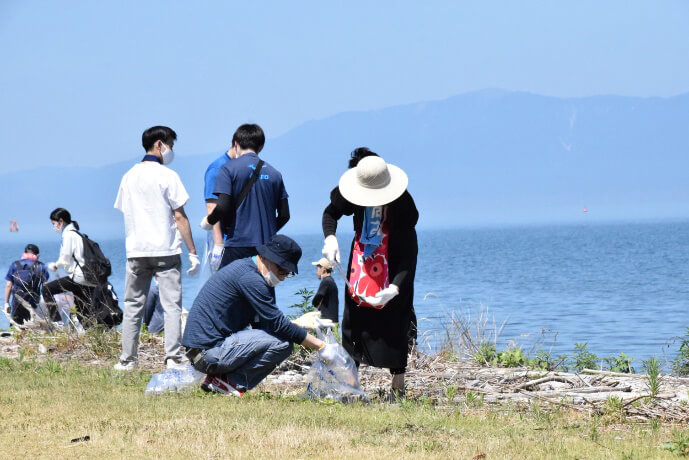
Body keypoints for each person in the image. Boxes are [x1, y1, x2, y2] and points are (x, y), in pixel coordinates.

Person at [182, 234, 336, 395]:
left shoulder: (252, 273)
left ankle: (219, 379)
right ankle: (228, 382)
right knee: (283, 344)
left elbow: (265, 325)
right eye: (281, 270)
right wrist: (321, 346)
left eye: (287, 273)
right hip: (208, 353)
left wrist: (296, 325)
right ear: (264, 258)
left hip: (205, 352)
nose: (282, 277)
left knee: (280, 339)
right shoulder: (251, 279)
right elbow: (277, 324)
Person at [321, 148, 418, 398]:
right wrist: (330, 239)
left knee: (397, 322)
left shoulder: (403, 205)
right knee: (352, 322)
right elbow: (330, 213)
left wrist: (395, 288)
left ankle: (398, 387)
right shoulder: (354, 191)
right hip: (361, 262)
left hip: (394, 261)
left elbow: (409, 254)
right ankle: (350, 386)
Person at [113, 125, 201, 371]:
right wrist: (193, 252)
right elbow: (180, 217)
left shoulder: (128, 176)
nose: (171, 150)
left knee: (132, 306)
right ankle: (172, 358)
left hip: (137, 250)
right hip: (166, 250)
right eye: (171, 144)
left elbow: (125, 210)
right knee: (171, 305)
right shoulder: (168, 176)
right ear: (160, 144)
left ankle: (127, 359)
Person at [200, 124, 290, 269]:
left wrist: (209, 221)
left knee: (230, 289)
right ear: (261, 146)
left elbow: (222, 206)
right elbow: (285, 215)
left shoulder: (227, 169)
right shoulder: (275, 174)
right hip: (266, 247)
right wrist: (268, 231)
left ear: (236, 144)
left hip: (237, 244)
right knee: (261, 288)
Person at [42, 208, 97, 321]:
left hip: (78, 277)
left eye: (54, 223)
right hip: (89, 278)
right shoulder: (77, 233)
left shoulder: (68, 235)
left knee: (47, 289)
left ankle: (57, 322)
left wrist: (56, 266)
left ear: (61, 221)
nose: (54, 227)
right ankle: (91, 332)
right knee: (83, 310)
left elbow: (65, 257)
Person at [202, 145, 237, 271]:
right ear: (237, 145)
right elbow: (212, 206)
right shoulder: (217, 169)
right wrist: (218, 243)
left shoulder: (242, 167)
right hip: (224, 239)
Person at [4, 244, 49, 325]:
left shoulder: (15, 264)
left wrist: (6, 303)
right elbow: (46, 287)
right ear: (37, 255)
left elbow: (8, 285)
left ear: (24, 253)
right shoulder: (41, 266)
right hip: (33, 302)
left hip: (17, 302)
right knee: (32, 328)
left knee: (16, 326)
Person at [311, 257, 339, 324]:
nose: (316, 271)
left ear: (323, 269)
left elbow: (319, 296)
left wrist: (315, 304)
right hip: (333, 320)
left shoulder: (326, 282)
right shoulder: (331, 281)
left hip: (328, 322)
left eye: (317, 268)